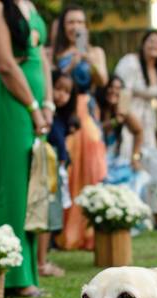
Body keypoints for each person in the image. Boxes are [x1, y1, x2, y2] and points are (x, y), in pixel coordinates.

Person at [0, 0, 52, 297]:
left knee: (32, 187)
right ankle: (14, 278)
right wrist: (33, 107)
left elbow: (42, 58)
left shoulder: (29, 5)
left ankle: (29, 272)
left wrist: (48, 103)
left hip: (35, 107)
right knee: (12, 187)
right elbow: (5, 64)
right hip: (11, 104)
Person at [53, 4, 106, 251]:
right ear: (63, 26)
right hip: (66, 113)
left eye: (79, 22)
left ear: (85, 26)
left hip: (88, 110)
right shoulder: (55, 52)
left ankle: (91, 230)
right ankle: (66, 231)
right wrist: (69, 65)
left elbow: (102, 80)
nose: (75, 26)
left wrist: (87, 59)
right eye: (70, 22)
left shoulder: (95, 51)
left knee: (93, 168)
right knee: (69, 168)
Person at [42, 70, 78, 277]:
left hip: (57, 168)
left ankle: (44, 257)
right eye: (57, 88)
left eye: (66, 92)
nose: (60, 95)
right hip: (47, 166)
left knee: (54, 213)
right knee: (47, 212)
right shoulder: (48, 116)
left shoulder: (63, 119)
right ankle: (42, 260)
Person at [114, 30, 157, 153]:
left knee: (149, 153)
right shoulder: (130, 62)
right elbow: (123, 92)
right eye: (151, 41)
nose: (154, 45)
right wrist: (122, 119)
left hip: (148, 119)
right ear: (143, 44)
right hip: (129, 115)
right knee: (127, 150)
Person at [97, 76, 144, 193]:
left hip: (114, 162)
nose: (114, 91)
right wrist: (115, 121)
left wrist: (135, 158)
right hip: (97, 162)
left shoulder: (122, 110)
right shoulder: (96, 107)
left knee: (139, 179)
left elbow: (139, 131)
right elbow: (96, 129)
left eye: (118, 88)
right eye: (111, 87)